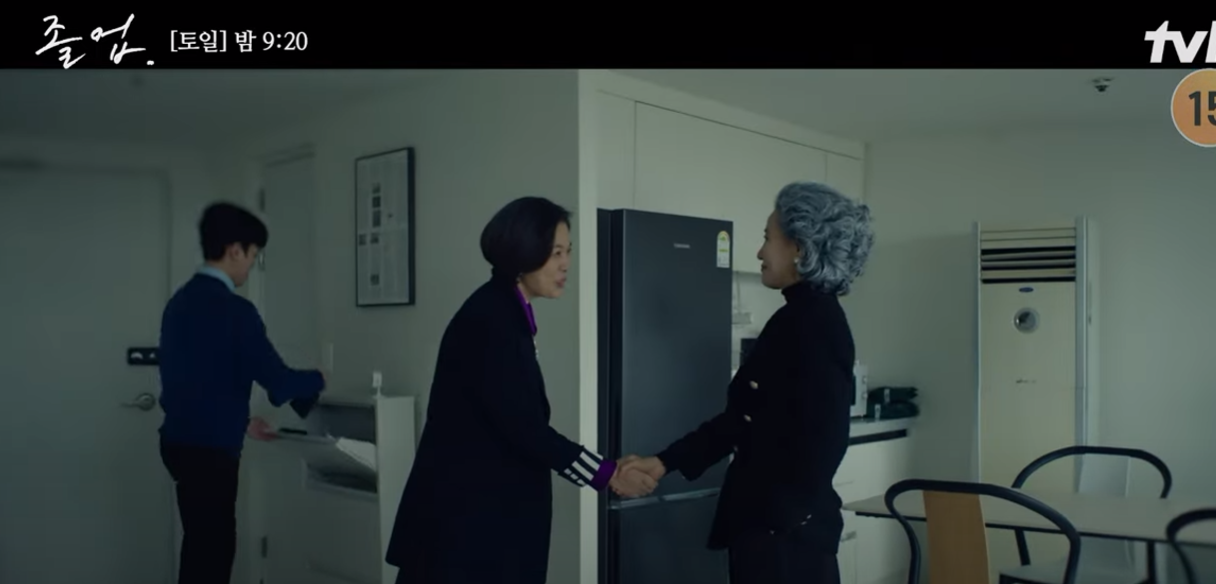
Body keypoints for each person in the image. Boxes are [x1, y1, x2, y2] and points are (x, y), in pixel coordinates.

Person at [386, 196, 657, 584]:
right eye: (556, 252)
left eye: (568, 251)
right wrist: (605, 473)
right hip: (466, 530)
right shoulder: (492, 320)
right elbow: (525, 428)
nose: (566, 263)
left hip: (479, 523)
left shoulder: (504, 310)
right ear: (523, 251)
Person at [621, 181, 874, 584]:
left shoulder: (812, 323)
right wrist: (666, 461)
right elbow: (742, 420)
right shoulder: (798, 318)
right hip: (773, 530)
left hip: (785, 538)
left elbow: (826, 439)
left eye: (767, 238)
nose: (759, 252)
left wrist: (783, 519)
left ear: (799, 247)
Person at [157, 202, 326, 584]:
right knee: (213, 554)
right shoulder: (236, 311)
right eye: (252, 255)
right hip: (211, 451)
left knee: (199, 545)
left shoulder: (178, 304)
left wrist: (242, 421)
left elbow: (193, 380)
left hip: (178, 444)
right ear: (235, 250)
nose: (251, 265)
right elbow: (279, 382)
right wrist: (318, 379)